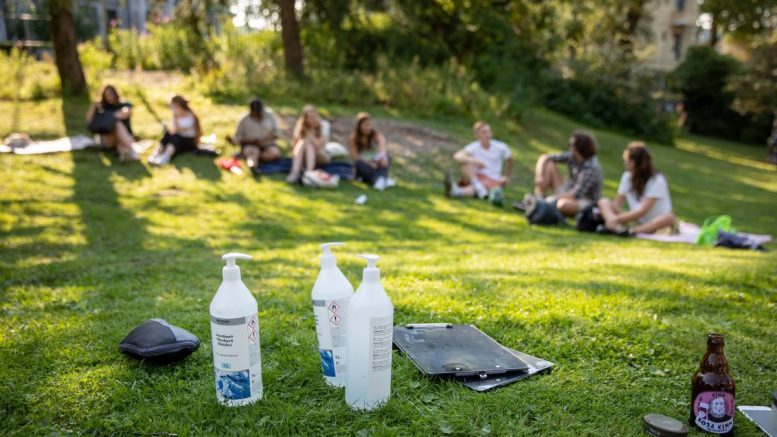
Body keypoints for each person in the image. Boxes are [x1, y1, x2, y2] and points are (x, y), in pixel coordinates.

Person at [597, 142, 676, 235]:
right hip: (636, 220)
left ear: (633, 163)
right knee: (603, 202)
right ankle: (617, 228)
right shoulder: (627, 176)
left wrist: (616, 219)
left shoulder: (657, 180)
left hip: (653, 221)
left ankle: (629, 231)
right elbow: (617, 204)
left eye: (626, 160)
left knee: (669, 218)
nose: (624, 163)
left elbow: (642, 211)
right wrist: (612, 216)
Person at [533, 131, 602, 216]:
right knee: (549, 165)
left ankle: (542, 203)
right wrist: (540, 175)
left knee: (562, 205)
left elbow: (575, 194)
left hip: (584, 200)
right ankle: (538, 197)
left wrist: (551, 199)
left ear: (578, 148)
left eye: (571, 145)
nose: (569, 147)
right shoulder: (572, 156)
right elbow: (545, 157)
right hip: (568, 190)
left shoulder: (591, 168)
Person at [445, 121, 513, 201]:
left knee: (481, 185)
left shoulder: (500, 147)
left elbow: (510, 160)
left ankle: (457, 191)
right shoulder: (474, 146)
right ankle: (479, 189)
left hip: (492, 179)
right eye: (484, 132)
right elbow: (457, 156)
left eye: (489, 131)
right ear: (477, 135)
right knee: (465, 165)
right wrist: (474, 160)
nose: (488, 134)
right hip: (476, 177)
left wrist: (506, 176)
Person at [85, 85, 137, 162]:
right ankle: (130, 149)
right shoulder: (101, 108)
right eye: (107, 95)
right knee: (116, 124)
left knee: (120, 142)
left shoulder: (124, 105)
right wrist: (94, 106)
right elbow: (89, 121)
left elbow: (125, 113)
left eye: (111, 94)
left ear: (115, 94)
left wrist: (108, 116)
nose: (109, 97)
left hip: (122, 138)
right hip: (107, 139)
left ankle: (125, 154)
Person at [148, 95, 202, 166]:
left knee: (175, 137)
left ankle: (165, 157)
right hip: (179, 139)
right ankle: (155, 154)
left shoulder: (190, 116)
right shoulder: (176, 115)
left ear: (178, 106)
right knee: (168, 134)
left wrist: (175, 117)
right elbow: (172, 130)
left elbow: (178, 130)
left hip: (189, 142)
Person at [232, 99, 282, 174]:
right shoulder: (244, 119)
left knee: (275, 154)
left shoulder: (269, 115)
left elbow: (278, 132)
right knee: (252, 152)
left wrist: (265, 139)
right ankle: (253, 166)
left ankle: (251, 158)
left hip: (267, 144)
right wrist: (249, 141)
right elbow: (238, 137)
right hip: (251, 145)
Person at [349, 112, 394, 190]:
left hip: (377, 162)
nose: (368, 127)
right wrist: (369, 163)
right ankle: (380, 179)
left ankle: (378, 179)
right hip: (364, 163)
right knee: (359, 164)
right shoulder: (353, 138)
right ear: (359, 126)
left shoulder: (376, 135)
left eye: (369, 125)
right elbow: (355, 157)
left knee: (387, 158)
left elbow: (382, 148)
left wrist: (381, 158)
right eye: (365, 125)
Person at [286, 105, 331, 183]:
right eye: (309, 117)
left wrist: (310, 134)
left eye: (314, 116)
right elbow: (295, 146)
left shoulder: (324, 125)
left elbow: (319, 146)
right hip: (304, 155)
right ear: (305, 118)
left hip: (321, 155)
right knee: (304, 142)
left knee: (309, 144)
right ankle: (297, 172)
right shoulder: (301, 125)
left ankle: (307, 173)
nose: (312, 119)